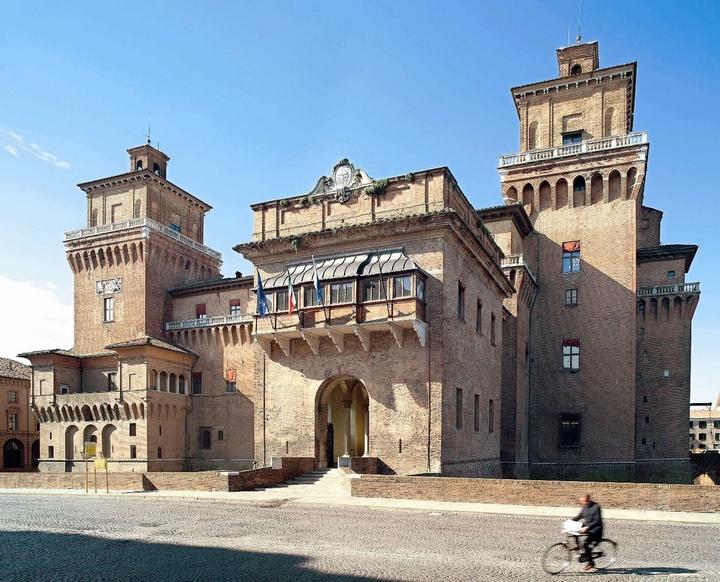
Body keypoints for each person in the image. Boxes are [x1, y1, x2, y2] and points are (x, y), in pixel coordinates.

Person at [572, 493, 603, 571]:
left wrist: (587, 527)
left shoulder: (596, 507)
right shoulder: (585, 507)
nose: (583, 504)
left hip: (596, 531)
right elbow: (579, 516)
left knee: (586, 546)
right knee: (573, 530)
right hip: (587, 529)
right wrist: (570, 521)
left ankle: (591, 563)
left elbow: (597, 520)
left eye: (585, 502)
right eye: (582, 502)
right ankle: (577, 545)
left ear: (588, 500)